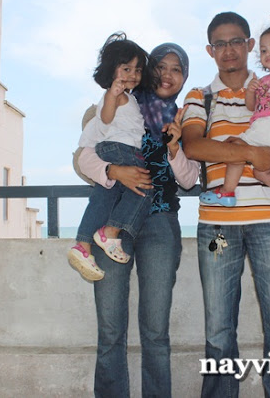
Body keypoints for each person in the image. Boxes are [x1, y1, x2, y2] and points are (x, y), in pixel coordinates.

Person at [181, 12, 270, 397]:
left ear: (250, 44)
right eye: (220, 44)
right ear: (210, 50)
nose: (229, 50)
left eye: (236, 41)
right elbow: (194, 146)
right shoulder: (200, 96)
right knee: (218, 331)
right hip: (218, 227)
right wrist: (254, 152)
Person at [78, 42, 198, 397]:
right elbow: (83, 159)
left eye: (177, 69)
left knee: (156, 333)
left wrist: (174, 148)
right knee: (110, 330)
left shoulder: (185, 120)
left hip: (160, 223)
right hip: (112, 226)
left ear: (184, 77)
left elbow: (190, 180)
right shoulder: (112, 105)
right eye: (160, 66)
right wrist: (115, 171)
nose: (167, 75)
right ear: (147, 71)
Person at [198, 12, 270, 220]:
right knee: (261, 171)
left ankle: (227, 191)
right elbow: (252, 107)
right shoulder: (263, 81)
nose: (268, 53)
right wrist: (251, 91)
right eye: (264, 50)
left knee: (236, 148)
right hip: (265, 126)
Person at [68, 32, 156, 282]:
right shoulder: (115, 95)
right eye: (126, 68)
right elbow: (106, 118)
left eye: (137, 70)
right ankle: (110, 232)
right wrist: (112, 95)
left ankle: (82, 246)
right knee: (144, 188)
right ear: (112, 69)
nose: (133, 75)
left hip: (114, 150)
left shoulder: (129, 97)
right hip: (120, 149)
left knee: (104, 196)